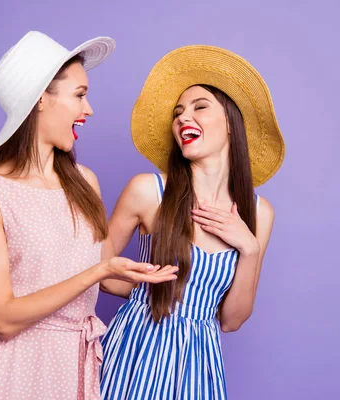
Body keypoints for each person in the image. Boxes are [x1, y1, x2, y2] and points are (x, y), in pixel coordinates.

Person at [0, 31, 178, 400]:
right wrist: (100, 270)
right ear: (41, 98)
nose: (88, 110)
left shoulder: (85, 182)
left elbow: (107, 276)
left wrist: (171, 283)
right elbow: (4, 318)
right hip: (16, 373)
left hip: (78, 367)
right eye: (80, 95)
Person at [100, 45, 286, 399]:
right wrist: (150, 293)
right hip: (136, 351)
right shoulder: (149, 191)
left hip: (199, 365)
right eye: (178, 112)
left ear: (232, 123)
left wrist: (249, 248)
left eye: (200, 107)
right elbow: (99, 271)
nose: (184, 118)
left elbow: (231, 320)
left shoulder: (259, 213)